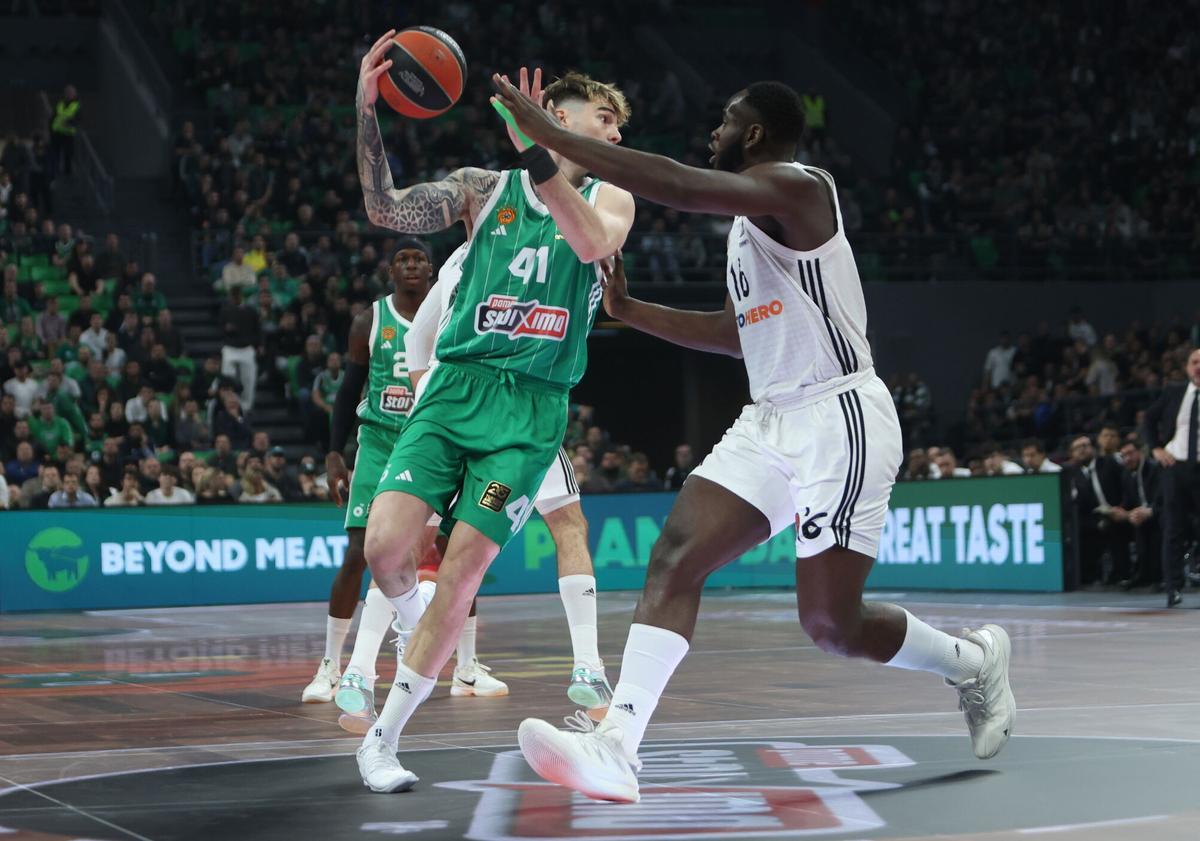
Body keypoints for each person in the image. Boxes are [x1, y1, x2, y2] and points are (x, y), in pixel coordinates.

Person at [496, 73, 1015, 803]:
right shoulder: (750, 230)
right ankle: (617, 744)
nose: (715, 132)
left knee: (831, 623)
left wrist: (550, 139)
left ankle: (972, 660)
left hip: (842, 417)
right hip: (770, 419)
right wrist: (629, 308)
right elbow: (742, 334)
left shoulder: (801, 190)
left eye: (727, 120)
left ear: (760, 134)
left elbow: (679, 183)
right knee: (675, 554)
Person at [351, 38, 634, 794]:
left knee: (467, 570)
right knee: (386, 549)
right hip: (456, 387)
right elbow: (385, 207)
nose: (614, 134)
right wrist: (367, 114)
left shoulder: (614, 195)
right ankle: (420, 627)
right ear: (559, 111)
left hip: (531, 411)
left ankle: (382, 738)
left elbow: (590, 241)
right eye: (602, 118)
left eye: (618, 126)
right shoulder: (485, 187)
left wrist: (542, 153)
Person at [1142, 347, 1200, 607]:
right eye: (1194, 362)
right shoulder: (1174, 392)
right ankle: (1173, 589)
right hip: (1176, 469)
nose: (1198, 367)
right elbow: (1148, 420)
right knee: (1173, 529)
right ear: (1187, 367)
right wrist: (1155, 447)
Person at [1117, 437, 1162, 589]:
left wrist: (1149, 511)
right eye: (1124, 455)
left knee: (1157, 527)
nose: (1128, 458)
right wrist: (1122, 512)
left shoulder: (1155, 468)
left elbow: (1162, 498)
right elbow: (1128, 501)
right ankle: (1142, 573)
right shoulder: (1126, 474)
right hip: (1140, 516)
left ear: (1140, 452)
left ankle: (1160, 576)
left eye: (1130, 453)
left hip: (1159, 512)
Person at [219, 286, 261, 411]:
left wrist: (260, 344)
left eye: (237, 294)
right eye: (233, 294)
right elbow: (220, 328)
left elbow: (258, 328)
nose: (235, 297)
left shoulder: (251, 310)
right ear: (230, 296)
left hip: (247, 348)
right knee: (227, 376)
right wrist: (226, 329)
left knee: (249, 381)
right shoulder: (225, 310)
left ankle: (246, 409)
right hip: (230, 348)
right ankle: (227, 405)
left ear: (241, 295)